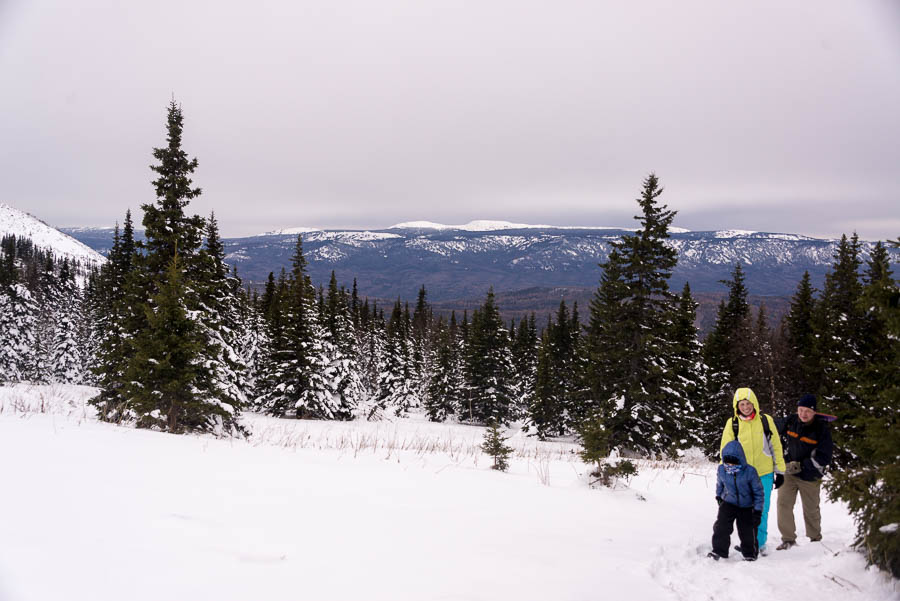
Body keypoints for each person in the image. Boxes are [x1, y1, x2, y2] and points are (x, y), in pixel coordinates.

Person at [719, 387, 786, 553]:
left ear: (754, 403)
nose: (745, 407)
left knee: (761, 510)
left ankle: (759, 544)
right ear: (737, 405)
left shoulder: (765, 420)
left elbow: (776, 446)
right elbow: (725, 449)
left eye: (748, 403)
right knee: (745, 511)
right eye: (742, 404)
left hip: (764, 473)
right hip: (742, 475)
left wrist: (780, 471)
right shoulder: (732, 423)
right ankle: (748, 543)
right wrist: (725, 473)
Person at [775, 393, 833, 550]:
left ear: (814, 412)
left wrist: (802, 466)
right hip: (788, 472)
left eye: (807, 411)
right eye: (800, 410)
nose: (803, 414)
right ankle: (788, 539)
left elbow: (824, 455)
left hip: (809, 475)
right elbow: (773, 427)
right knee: (783, 504)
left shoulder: (821, 428)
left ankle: (815, 539)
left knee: (811, 508)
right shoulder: (792, 421)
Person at [708, 440, 765, 561]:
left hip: (746, 506)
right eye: (727, 463)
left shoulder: (750, 472)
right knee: (721, 527)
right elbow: (720, 484)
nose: (730, 466)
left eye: (734, 463)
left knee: (747, 531)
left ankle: (750, 553)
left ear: (741, 460)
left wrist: (758, 511)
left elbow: (758, 492)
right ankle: (719, 550)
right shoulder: (722, 469)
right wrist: (719, 496)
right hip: (728, 503)